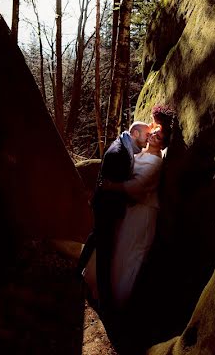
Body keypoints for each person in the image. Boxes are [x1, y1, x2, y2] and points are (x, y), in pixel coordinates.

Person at [78, 121, 151, 317]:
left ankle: (77, 271)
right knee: (105, 252)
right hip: (106, 208)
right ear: (135, 133)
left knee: (95, 239)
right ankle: (103, 299)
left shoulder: (125, 146)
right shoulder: (118, 152)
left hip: (105, 206)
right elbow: (112, 186)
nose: (147, 139)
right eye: (145, 134)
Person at [105, 124, 168, 309]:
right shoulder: (140, 153)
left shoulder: (156, 162)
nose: (152, 136)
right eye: (153, 132)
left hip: (144, 213)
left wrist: (111, 186)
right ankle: (112, 296)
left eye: (158, 137)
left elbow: (137, 186)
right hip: (131, 210)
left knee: (133, 255)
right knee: (121, 251)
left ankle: (121, 302)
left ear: (163, 145)